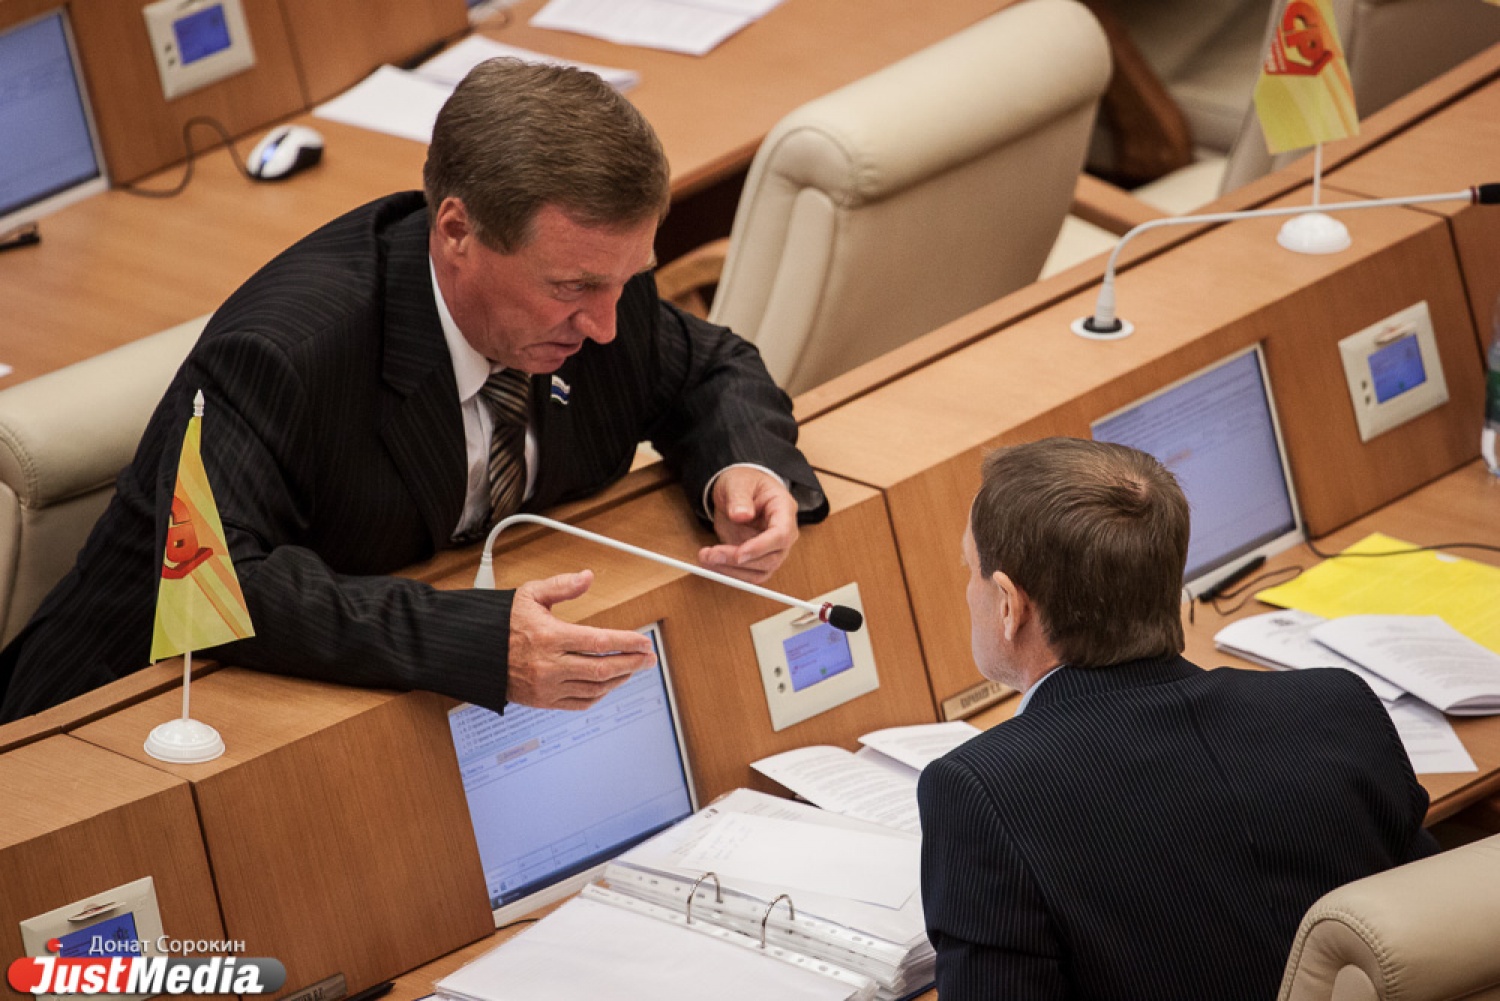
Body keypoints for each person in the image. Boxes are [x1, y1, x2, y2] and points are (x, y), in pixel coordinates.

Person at [0, 59, 827, 723]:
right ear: (457, 231)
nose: (607, 325)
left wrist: (742, 467)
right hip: (115, 723)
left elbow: (711, 368)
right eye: (573, 288)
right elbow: (216, 585)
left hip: (345, 713)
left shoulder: (601, 288)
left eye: (627, 279)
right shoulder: (286, 354)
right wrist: (473, 640)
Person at [917, 437, 1435, 1001]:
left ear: (1009, 604)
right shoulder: (1335, 706)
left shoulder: (983, 793)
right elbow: (1443, 924)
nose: (967, 589)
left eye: (970, 569)